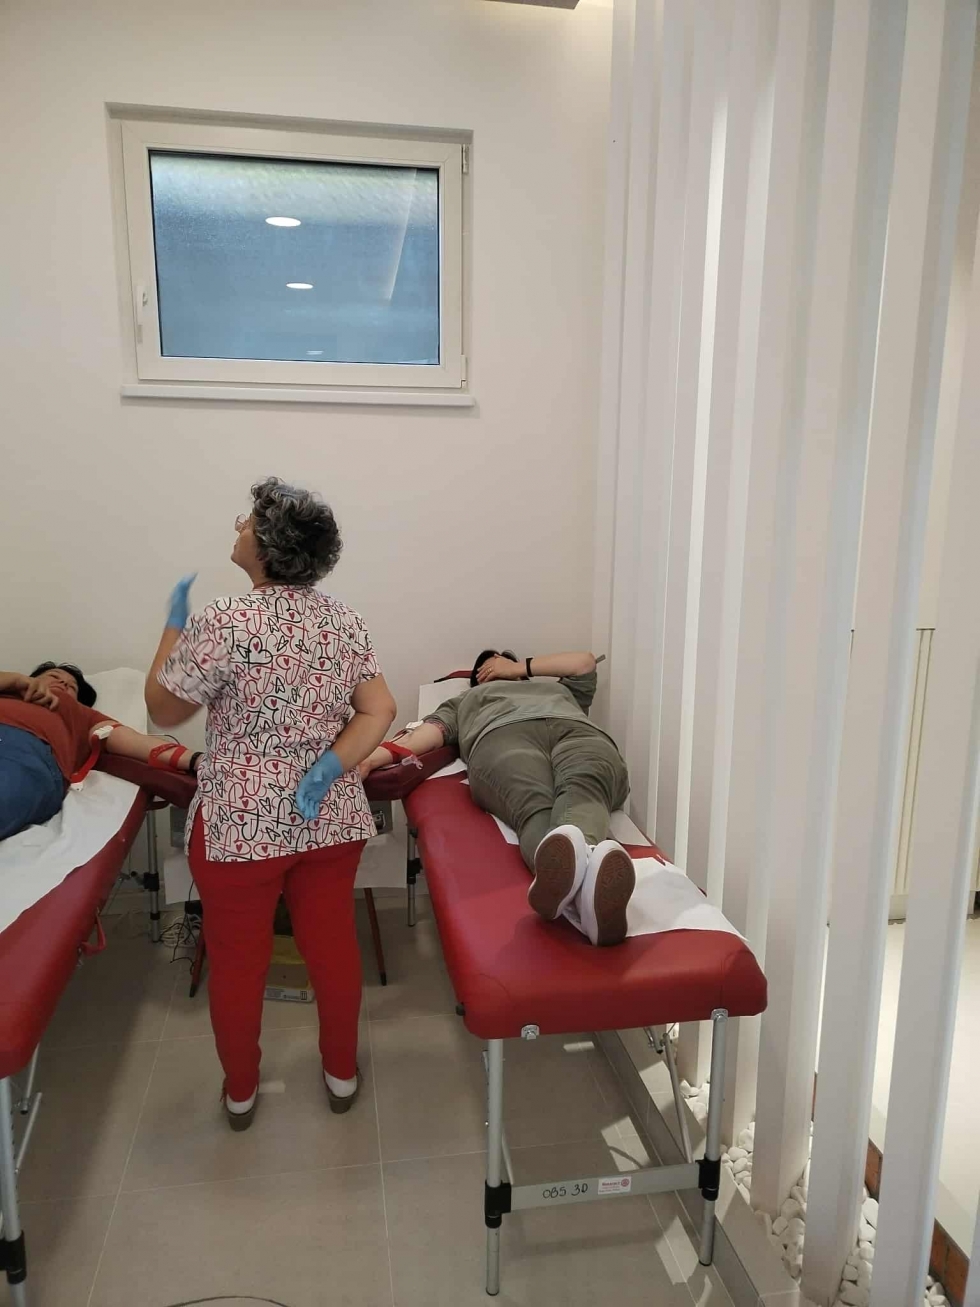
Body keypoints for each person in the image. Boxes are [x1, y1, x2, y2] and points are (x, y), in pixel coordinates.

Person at [145, 477, 396, 1131]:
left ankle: (240, 1091)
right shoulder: (343, 619)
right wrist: (331, 765)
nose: (238, 527)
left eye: (247, 520)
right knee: (332, 948)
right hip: (329, 819)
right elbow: (379, 710)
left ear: (266, 543)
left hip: (239, 829)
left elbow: (163, 710)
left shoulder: (223, 619)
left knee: (236, 961)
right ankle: (341, 1073)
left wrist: (172, 627)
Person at [353, 648, 636, 947]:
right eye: (487, 666)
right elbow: (425, 735)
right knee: (534, 805)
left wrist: (518, 668)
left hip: (578, 732)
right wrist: (372, 758)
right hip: (502, 735)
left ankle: (578, 891)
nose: (497, 666)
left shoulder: (561, 690)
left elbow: (584, 662)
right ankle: (587, 891)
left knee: (586, 784)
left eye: (502, 662)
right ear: (478, 679)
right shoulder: (465, 701)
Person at [0, 661, 196, 842]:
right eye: (53, 676)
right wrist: (14, 680)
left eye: (72, 687)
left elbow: (134, 741)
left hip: (25, 750)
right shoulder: (9, 688)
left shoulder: (81, 714)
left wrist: (195, 759)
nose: (64, 683)